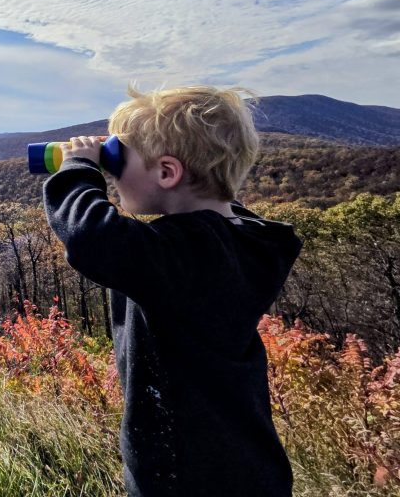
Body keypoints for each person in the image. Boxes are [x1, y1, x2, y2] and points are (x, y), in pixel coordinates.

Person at [42, 85, 302, 497]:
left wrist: (78, 168)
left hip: (185, 472)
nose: (113, 172)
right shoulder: (247, 240)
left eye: (118, 159)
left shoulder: (181, 256)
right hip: (249, 461)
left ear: (167, 172)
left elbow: (92, 239)